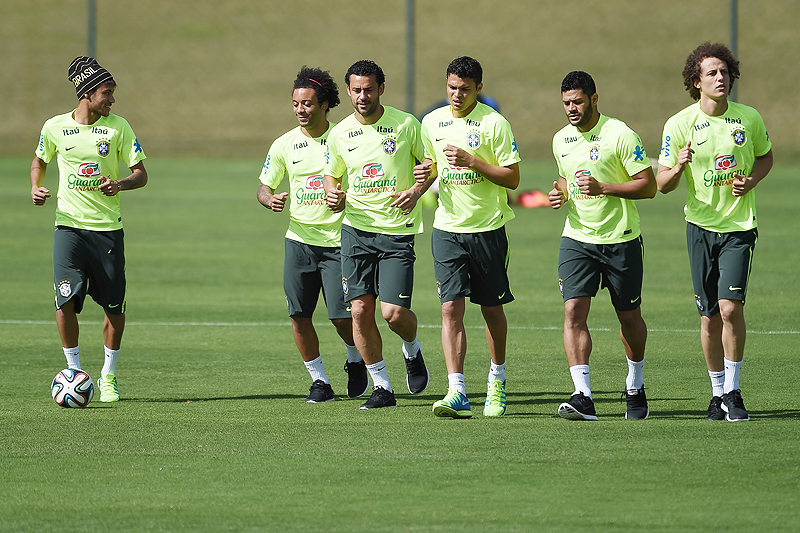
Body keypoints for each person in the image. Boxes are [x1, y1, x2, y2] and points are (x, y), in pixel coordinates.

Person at [656, 42, 773, 422]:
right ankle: (717, 393)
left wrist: (751, 181)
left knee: (730, 307)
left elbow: (766, 155)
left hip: (739, 227)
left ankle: (734, 392)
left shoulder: (748, 118)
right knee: (709, 316)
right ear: (696, 81)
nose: (720, 78)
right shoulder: (679, 124)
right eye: (712, 73)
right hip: (700, 227)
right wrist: (678, 166)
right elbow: (662, 184)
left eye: (724, 72)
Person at [30, 56, 148, 402]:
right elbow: (40, 159)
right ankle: (74, 370)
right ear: (87, 94)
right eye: (107, 92)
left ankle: (108, 375)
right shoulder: (54, 127)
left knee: (114, 307)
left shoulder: (118, 127)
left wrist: (119, 184)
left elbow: (140, 174)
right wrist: (36, 185)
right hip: (68, 228)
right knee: (64, 300)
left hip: (107, 230)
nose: (112, 99)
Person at [323, 60, 431, 409]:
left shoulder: (406, 124)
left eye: (369, 89)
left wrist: (416, 191)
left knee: (393, 314)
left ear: (381, 89)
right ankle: (382, 387)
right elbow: (331, 175)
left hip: (396, 231)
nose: (362, 96)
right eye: (356, 90)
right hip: (356, 230)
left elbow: (430, 165)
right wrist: (332, 193)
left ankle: (412, 349)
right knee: (359, 311)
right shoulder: (340, 133)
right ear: (348, 91)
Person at [549, 70, 656, 420]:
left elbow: (648, 186)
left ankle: (635, 384)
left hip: (620, 240)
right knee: (572, 312)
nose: (571, 108)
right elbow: (566, 179)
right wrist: (560, 193)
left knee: (629, 318)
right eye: (566, 103)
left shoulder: (620, 134)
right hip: (577, 239)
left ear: (594, 99)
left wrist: (604, 188)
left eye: (578, 101)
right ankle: (583, 395)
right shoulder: (561, 139)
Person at [417, 56, 520, 418]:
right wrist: (417, 187)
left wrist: (473, 161)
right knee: (450, 308)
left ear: (479, 88)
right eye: (451, 87)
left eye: (464, 89)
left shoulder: (495, 123)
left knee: (491, 309)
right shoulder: (432, 122)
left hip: (487, 229)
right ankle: (457, 390)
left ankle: (497, 380)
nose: (457, 95)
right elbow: (431, 167)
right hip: (447, 229)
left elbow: (513, 178)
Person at [257, 67, 367, 403]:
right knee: (298, 316)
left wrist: (346, 197)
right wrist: (269, 199)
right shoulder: (284, 144)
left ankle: (355, 357)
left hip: (338, 243)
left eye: (306, 103)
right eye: (295, 104)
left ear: (324, 104)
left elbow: (363, 181)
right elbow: (264, 186)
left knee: (341, 317)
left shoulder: (344, 138)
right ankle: (319, 382)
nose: (300, 110)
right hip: (299, 242)